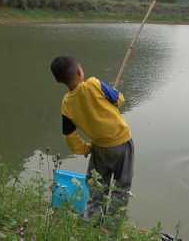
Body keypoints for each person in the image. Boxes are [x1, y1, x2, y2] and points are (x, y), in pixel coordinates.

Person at [50, 56, 133, 218]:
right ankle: (112, 224)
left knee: (96, 185)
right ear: (80, 72)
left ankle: (91, 218)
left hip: (98, 148)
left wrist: (85, 148)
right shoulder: (94, 84)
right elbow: (120, 100)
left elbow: (69, 135)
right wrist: (114, 94)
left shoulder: (66, 104)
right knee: (121, 186)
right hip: (122, 143)